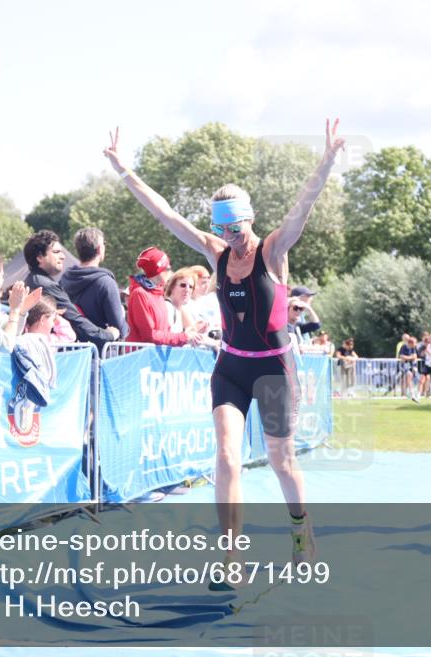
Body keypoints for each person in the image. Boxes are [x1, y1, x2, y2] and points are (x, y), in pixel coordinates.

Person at [103, 118, 345, 567]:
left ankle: (299, 528)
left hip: (274, 367)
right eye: (224, 229)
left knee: (281, 461)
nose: (230, 237)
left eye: (236, 228)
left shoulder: (273, 251)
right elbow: (166, 214)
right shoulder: (215, 252)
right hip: (232, 367)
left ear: (249, 219)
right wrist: (123, 170)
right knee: (227, 457)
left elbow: (302, 208)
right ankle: (230, 552)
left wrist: (327, 159)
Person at [24, 230, 119, 351]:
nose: (63, 256)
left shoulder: (36, 280)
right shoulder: (43, 285)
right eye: (56, 252)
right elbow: (76, 321)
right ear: (40, 257)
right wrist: (107, 335)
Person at [125, 247, 205, 346]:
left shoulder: (158, 293)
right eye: (167, 268)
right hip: (141, 358)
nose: (170, 272)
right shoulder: (139, 294)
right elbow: (150, 335)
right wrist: (184, 337)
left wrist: (191, 332)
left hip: (156, 357)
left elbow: (167, 333)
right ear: (158, 271)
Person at [60, 226, 129, 341]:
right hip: (101, 353)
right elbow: (119, 329)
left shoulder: (63, 280)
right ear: (98, 249)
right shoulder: (106, 283)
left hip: (71, 351)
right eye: (104, 244)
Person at [398, 335, 419, 402]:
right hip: (404, 365)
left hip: (411, 365)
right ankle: (410, 394)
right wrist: (410, 357)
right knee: (408, 376)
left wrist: (415, 366)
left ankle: (410, 393)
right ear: (410, 343)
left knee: (409, 379)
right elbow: (401, 356)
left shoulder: (413, 348)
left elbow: (415, 356)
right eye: (414, 343)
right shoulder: (404, 347)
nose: (415, 345)